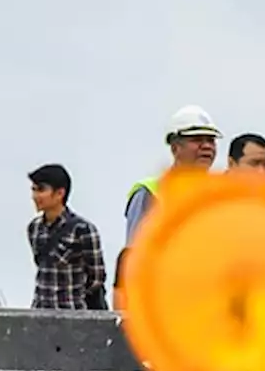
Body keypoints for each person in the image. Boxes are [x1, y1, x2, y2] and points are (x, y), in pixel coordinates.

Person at [117, 105, 223, 310]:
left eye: (210, 140)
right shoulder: (149, 192)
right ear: (175, 147)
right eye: (197, 140)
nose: (207, 146)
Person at [27, 164, 108, 311]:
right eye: (33, 190)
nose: (35, 196)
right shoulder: (34, 228)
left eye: (41, 190)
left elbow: (97, 277)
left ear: (60, 193)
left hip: (72, 315)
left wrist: (75, 295)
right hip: (39, 314)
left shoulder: (82, 230)